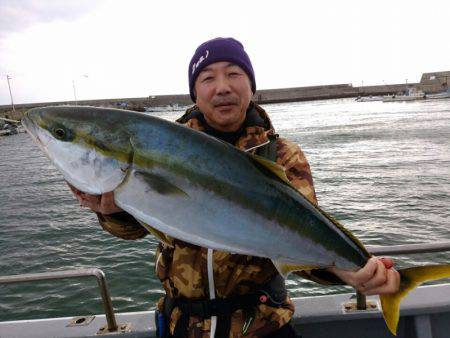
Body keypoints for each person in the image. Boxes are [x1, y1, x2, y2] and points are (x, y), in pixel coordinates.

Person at [69, 37, 400, 338]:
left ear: (251, 86)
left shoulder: (282, 155)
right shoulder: (161, 149)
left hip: (263, 326)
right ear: (195, 93)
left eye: (234, 74)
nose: (222, 87)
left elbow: (300, 239)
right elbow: (137, 229)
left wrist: (349, 271)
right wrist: (111, 211)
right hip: (183, 326)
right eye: (208, 78)